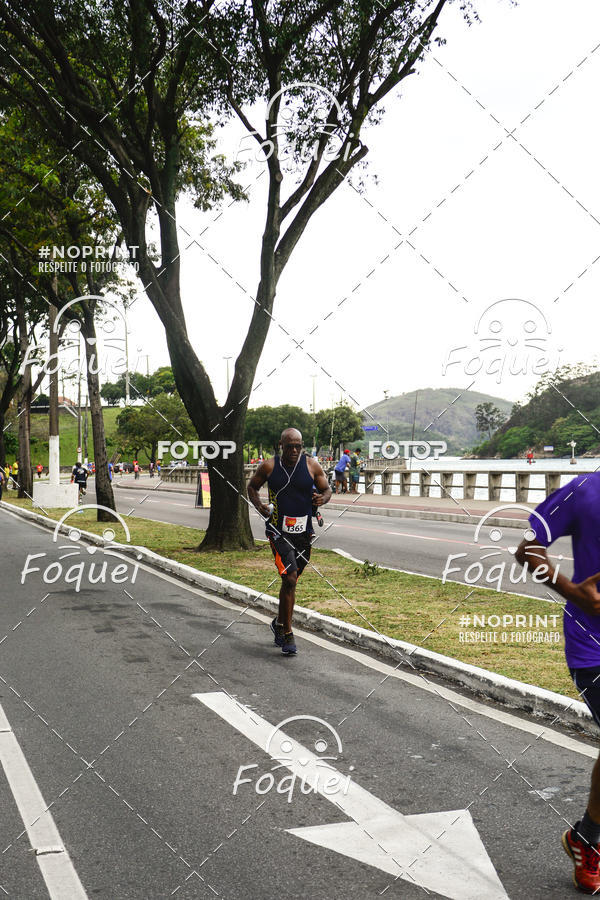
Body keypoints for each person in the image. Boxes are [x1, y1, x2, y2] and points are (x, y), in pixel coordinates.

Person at [515, 473, 600, 893]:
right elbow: (527, 548)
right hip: (593, 646)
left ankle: (585, 838)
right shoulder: (583, 489)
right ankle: (590, 842)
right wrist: (573, 592)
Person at [247, 428, 331, 655]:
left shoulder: (312, 465)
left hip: (304, 532)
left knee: (291, 581)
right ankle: (288, 633)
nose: (294, 450)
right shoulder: (269, 466)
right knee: (290, 578)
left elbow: (327, 489)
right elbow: (252, 487)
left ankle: (279, 623)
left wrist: (322, 498)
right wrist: (260, 506)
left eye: (298, 446)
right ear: (281, 445)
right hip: (278, 531)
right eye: (290, 446)